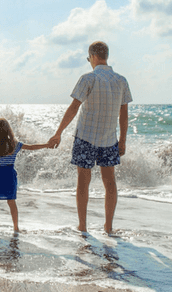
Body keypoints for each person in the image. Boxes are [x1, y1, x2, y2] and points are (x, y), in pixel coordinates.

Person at [47, 41, 132, 234]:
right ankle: (108, 227)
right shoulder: (121, 80)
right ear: (106, 56)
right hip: (110, 139)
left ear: (93, 56)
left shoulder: (88, 78)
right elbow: (124, 114)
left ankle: (83, 226)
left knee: (83, 183)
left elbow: (74, 108)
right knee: (109, 182)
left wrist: (58, 132)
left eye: (88, 59)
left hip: (85, 137)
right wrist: (123, 140)